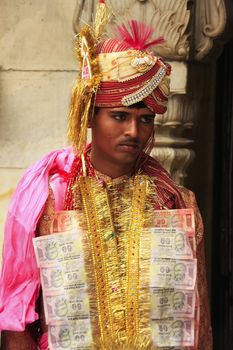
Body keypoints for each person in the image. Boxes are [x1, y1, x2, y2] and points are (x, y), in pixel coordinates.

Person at [0, 1, 212, 349]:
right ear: (88, 115)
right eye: (119, 116)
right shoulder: (49, 198)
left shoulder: (175, 204)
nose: (134, 130)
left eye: (146, 119)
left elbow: (197, 325)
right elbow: (18, 319)